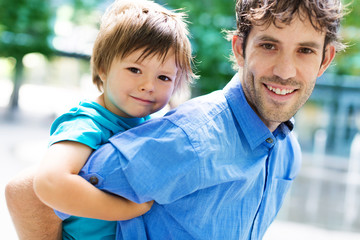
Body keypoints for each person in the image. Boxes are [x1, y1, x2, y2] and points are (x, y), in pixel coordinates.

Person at [6, 0, 346, 239]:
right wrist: (126, 211)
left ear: (325, 59)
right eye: (269, 45)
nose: (285, 71)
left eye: (305, 50)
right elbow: (28, 193)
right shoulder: (188, 140)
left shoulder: (287, 150)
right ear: (240, 48)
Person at [5, 0, 195, 239]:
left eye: (164, 77)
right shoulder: (88, 123)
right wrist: (127, 209)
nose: (149, 86)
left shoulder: (148, 123)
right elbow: (49, 182)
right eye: (135, 70)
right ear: (103, 68)